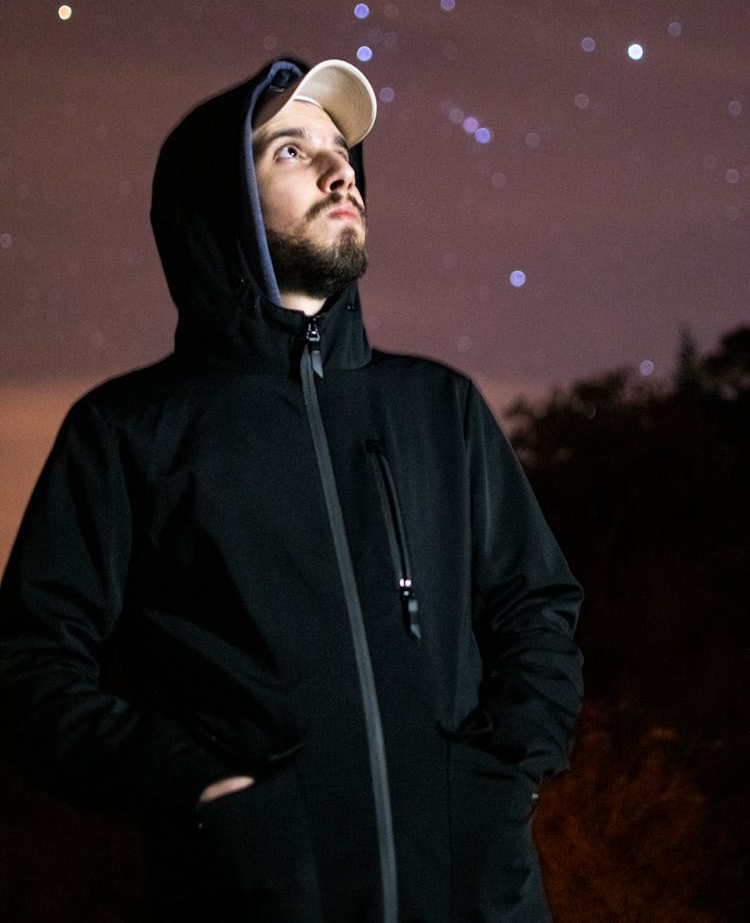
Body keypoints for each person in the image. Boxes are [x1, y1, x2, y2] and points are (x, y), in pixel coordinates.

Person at [0, 57, 583, 922]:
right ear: (220, 206)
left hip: (475, 895)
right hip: (261, 896)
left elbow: (536, 605)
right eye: (290, 150)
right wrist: (202, 789)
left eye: (340, 148)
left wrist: (506, 776)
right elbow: (30, 664)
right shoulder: (129, 431)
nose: (338, 166)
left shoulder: (440, 407)